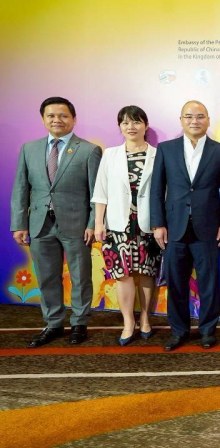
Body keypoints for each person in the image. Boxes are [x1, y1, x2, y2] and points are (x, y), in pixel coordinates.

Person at [11, 97, 102, 347]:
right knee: (47, 277)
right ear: (43, 119)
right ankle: (53, 323)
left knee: (80, 276)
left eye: (63, 115)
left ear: (73, 119)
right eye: (51, 115)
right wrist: (19, 224)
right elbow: (20, 189)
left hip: (77, 224)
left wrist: (92, 223)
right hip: (40, 224)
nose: (57, 120)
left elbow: (97, 193)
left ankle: (79, 323)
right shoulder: (29, 149)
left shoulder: (89, 150)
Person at [150, 100, 220, 351]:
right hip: (173, 227)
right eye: (189, 116)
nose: (194, 121)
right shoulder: (166, 149)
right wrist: (158, 223)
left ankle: (207, 330)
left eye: (200, 116)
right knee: (176, 283)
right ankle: (178, 331)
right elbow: (157, 188)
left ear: (208, 120)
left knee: (209, 282)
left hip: (208, 228)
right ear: (181, 120)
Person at [92, 106, 160, 345]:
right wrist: (98, 222)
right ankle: (128, 322)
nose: (131, 127)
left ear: (146, 125)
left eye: (136, 122)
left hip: (148, 225)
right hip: (117, 224)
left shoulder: (158, 154)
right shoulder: (110, 155)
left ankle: (145, 318)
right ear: (120, 126)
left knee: (147, 273)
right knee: (122, 275)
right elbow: (100, 191)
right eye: (125, 123)